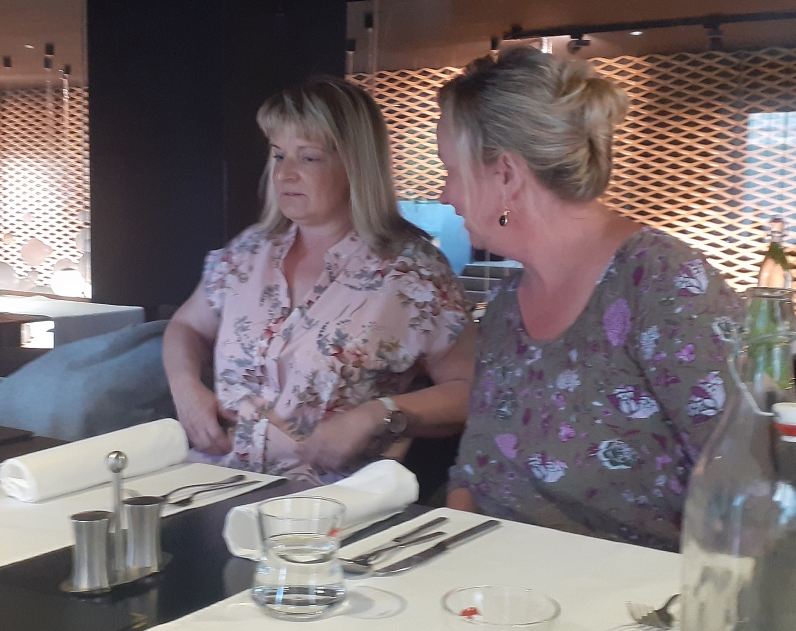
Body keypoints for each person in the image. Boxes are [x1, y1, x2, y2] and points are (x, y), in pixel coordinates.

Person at [438, 48, 743, 551]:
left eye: (451, 171)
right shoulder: (505, 305)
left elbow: (750, 484)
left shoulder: (661, 283)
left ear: (507, 175)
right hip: (493, 579)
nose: (445, 195)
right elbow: (474, 473)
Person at [163, 76, 474, 486]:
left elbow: (472, 389)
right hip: (212, 483)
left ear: (355, 165)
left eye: (308, 157)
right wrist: (185, 387)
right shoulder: (247, 253)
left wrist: (380, 414)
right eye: (278, 155)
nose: (285, 174)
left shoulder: (413, 274)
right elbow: (186, 327)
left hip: (331, 504)